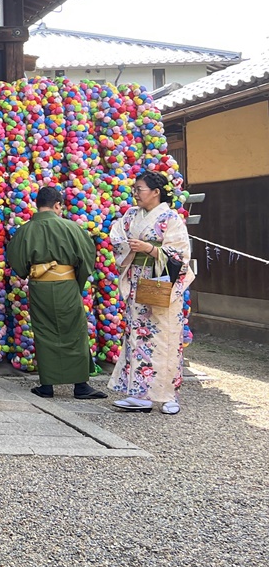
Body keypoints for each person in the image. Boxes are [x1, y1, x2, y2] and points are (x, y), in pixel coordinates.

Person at [6, 186, 107, 400]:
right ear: (58, 205)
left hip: (40, 286)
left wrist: (29, 272)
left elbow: (16, 260)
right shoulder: (72, 228)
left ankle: (47, 386)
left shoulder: (25, 230)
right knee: (75, 331)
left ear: (37, 204)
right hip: (67, 285)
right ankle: (81, 386)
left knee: (44, 333)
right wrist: (75, 280)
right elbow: (88, 256)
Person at [108, 171, 195, 415]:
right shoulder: (131, 216)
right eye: (134, 189)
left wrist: (151, 249)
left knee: (165, 338)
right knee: (138, 336)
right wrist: (131, 248)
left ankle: (169, 396)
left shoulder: (171, 218)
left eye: (140, 189)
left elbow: (181, 255)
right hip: (137, 281)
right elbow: (117, 239)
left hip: (162, 282)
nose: (136, 194)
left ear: (156, 192)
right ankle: (139, 394)